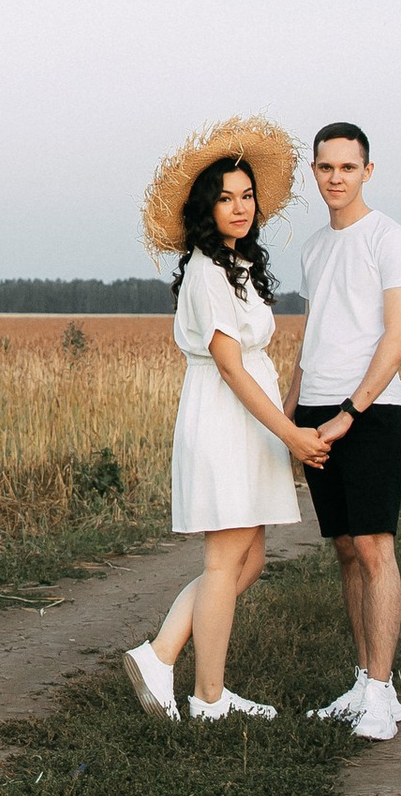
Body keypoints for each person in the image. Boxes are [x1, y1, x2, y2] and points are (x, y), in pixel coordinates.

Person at [122, 114, 332, 723]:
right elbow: (232, 367)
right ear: (203, 208)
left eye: (246, 197)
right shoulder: (209, 272)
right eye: (225, 198)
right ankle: (208, 697)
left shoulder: (236, 265)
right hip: (226, 419)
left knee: (250, 559)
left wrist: (280, 428)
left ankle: (161, 654)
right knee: (224, 561)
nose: (239, 208)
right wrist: (290, 431)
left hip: (249, 422)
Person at [295, 120, 401, 744]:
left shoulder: (391, 239)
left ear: (367, 171)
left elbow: (398, 335)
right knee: (344, 550)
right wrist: (294, 420)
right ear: (313, 172)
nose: (336, 177)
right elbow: (314, 337)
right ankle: (366, 682)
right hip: (314, 413)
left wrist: (352, 410)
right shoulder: (314, 248)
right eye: (325, 167)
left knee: (375, 549)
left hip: (370, 412)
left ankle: (379, 688)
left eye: (347, 167)